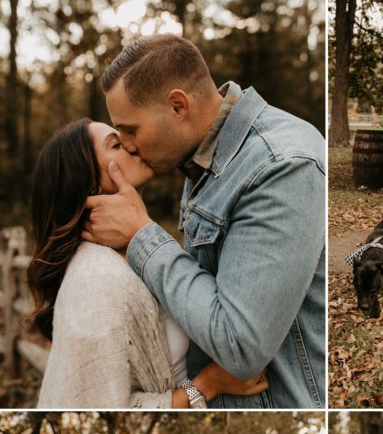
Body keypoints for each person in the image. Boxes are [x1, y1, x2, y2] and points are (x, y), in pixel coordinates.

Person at [82, 34, 325, 410]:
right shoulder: (202, 160)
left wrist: (143, 236)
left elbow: (241, 346)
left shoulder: (280, 165)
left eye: (130, 129)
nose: (128, 144)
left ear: (178, 105)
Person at [28, 119, 268, 409]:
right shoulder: (95, 279)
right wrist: (208, 384)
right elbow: (98, 405)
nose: (131, 145)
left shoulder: (133, 249)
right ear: (88, 183)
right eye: (116, 144)